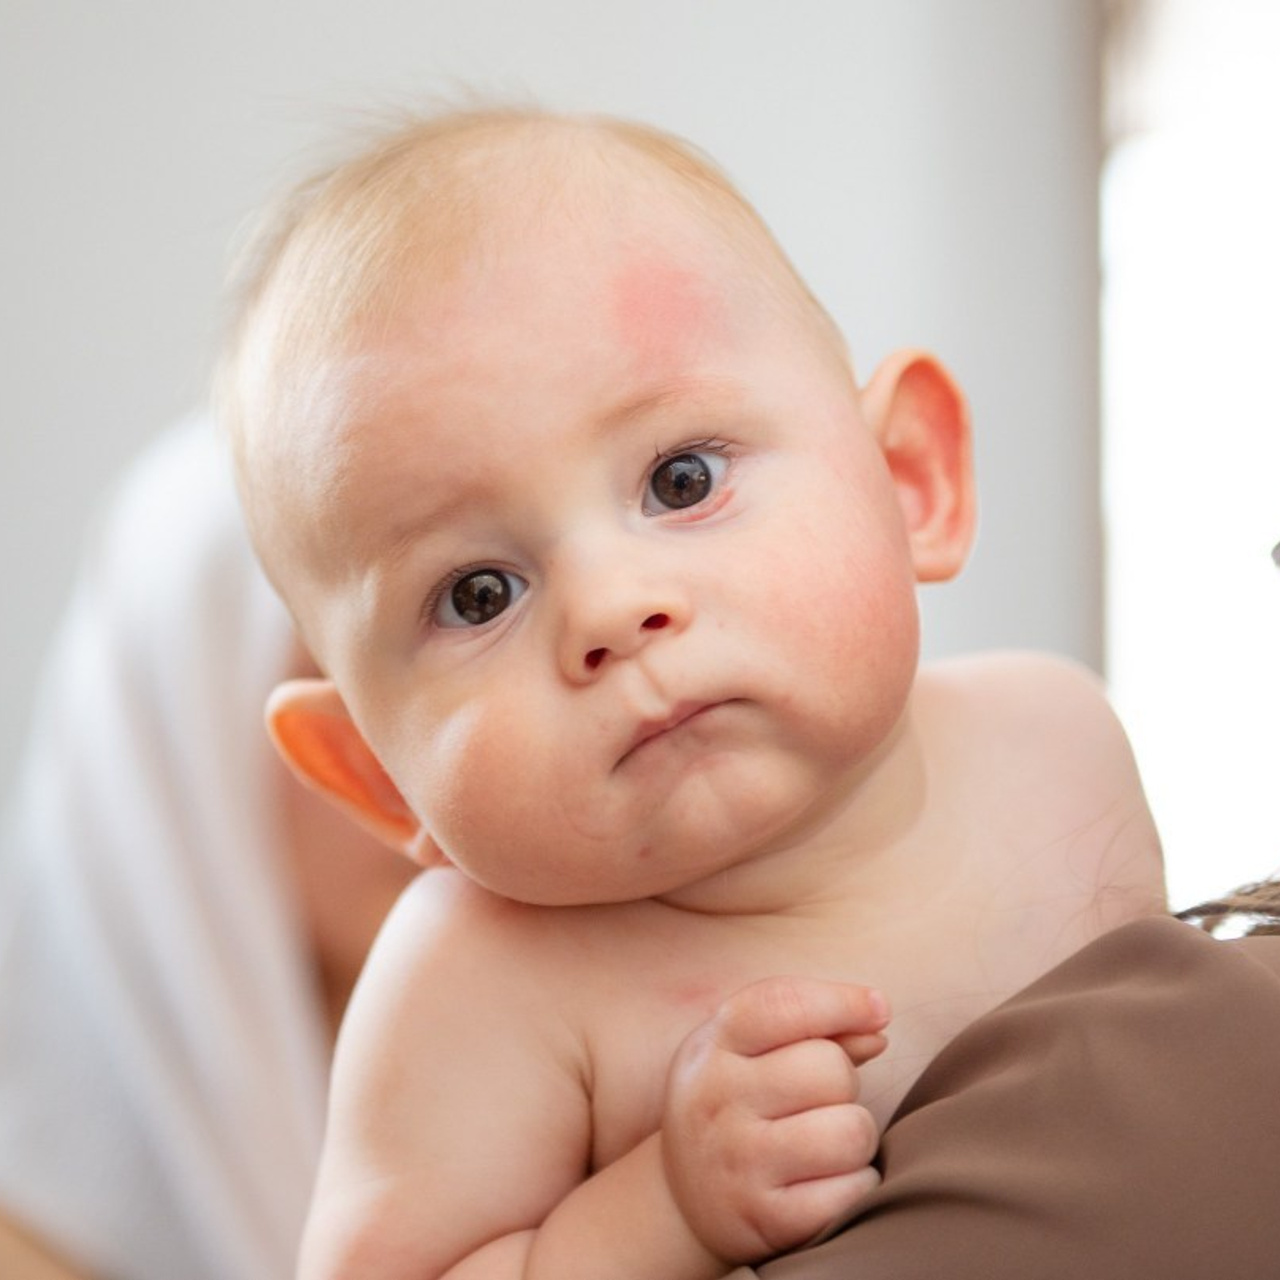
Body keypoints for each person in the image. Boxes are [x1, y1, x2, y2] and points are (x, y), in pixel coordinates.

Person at [216, 106, 1166, 1280]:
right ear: (375, 772)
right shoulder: (477, 985)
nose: (610, 609)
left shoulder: (1056, 740)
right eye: (476, 594)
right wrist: (661, 1207)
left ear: (908, 479)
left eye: (679, 479)